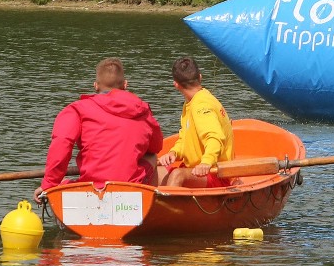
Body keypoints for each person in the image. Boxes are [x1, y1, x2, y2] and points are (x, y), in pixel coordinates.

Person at [33, 58, 164, 203]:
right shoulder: (143, 111)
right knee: (152, 156)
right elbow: (156, 147)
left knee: (63, 182)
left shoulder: (77, 110)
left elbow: (61, 143)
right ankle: (149, 203)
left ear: (95, 86)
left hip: (92, 187)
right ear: (125, 85)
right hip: (129, 187)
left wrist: (49, 185)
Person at [156, 57, 234, 188]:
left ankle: (165, 207)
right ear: (200, 77)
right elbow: (185, 139)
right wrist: (173, 153)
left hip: (215, 174)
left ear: (176, 85)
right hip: (193, 169)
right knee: (150, 172)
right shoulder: (191, 102)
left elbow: (215, 138)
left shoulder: (201, 105)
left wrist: (206, 162)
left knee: (177, 175)